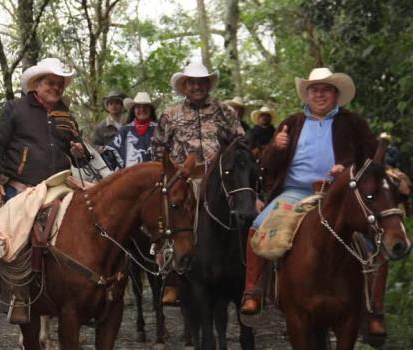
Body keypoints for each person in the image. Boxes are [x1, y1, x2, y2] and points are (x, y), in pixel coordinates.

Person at [239, 68, 387, 337]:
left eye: (326, 89)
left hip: (342, 194)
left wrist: (346, 168)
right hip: (295, 192)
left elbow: (370, 161)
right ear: (307, 94)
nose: (320, 94)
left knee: (376, 236)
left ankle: (374, 309)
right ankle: (254, 291)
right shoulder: (292, 123)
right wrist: (276, 147)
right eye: (314, 89)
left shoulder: (352, 122)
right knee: (260, 223)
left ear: (336, 94)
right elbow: (267, 165)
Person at [0, 57, 86, 324]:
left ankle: (88, 289)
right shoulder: (15, 109)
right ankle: (18, 294)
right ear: (36, 85)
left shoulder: (66, 115)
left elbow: (78, 150)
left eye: (59, 84)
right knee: (18, 229)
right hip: (23, 185)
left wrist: (79, 151)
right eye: (50, 83)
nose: (56, 88)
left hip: (61, 183)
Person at [152, 61, 245, 305]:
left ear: (208, 84)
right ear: (184, 86)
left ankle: (247, 278)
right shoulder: (170, 115)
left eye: (201, 82)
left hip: (219, 178)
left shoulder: (225, 112)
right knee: (173, 217)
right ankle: (172, 279)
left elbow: (240, 143)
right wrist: (175, 171)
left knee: (243, 212)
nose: (197, 86)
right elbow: (158, 150)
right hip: (185, 179)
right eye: (191, 82)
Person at [106, 92, 158, 170]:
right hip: (131, 178)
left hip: (156, 176)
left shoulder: (159, 129)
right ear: (133, 110)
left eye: (145, 106)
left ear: (151, 109)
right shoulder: (125, 130)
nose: (142, 109)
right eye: (138, 107)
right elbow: (111, 152)